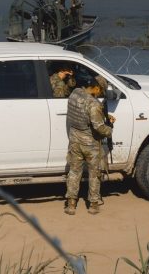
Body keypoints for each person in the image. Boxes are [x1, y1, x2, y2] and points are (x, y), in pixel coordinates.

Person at [64, 72, 115, 215]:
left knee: (74, 172)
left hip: (74, 140)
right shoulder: (94, 104)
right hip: (90, 144)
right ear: (97, 88)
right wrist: (109, 129)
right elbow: (99, 127)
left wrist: (102, 114)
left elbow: (83, 114)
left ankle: (71, 204)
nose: (100, 95)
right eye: (101, 92)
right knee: (94, 174)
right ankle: (93, 204)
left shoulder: (75, 93)